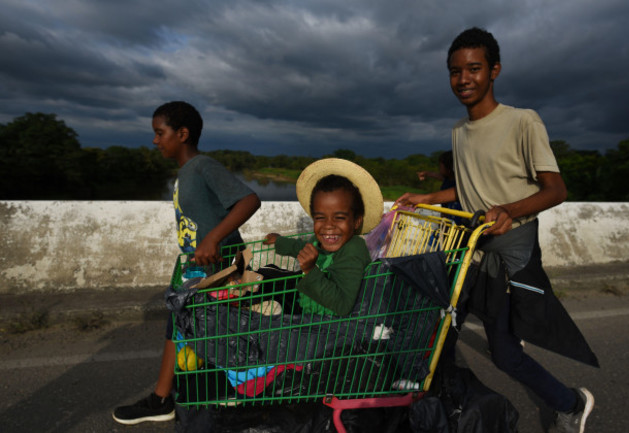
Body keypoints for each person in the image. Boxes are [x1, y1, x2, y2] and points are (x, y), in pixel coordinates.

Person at [396, 28, 595, 433]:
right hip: (469, 252)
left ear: (494, 71)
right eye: (455, 71)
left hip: (508, 258)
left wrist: (508, 210)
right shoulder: (458, 132)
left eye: (474, 68)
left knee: (505, 355)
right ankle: (441, 411)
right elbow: (470, 188)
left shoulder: (523, 121)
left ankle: (571, 401)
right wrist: (427, 197)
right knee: (440, 335)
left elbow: (556, 189)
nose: (463, 79)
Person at [112, 101, 261, 425]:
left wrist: (213, 239)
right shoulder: (184, 173)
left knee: (219, 335)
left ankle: (230, 400)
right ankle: (162, 398)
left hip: (219, 268)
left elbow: (249, 199)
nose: (155, 140)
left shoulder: (203, 165)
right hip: (195, 267)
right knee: (176, 327)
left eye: (159, 133)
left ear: (182, 133)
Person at [264, 158, 384, 316]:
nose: (328, 226)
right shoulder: (320, 241)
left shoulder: (354, 250)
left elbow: (342, 305)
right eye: (320, 218)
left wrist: (310, 269)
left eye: (339, 218)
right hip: (310, 309)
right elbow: (301, 248)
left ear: (356, 222)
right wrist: (279, 241)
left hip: (329, 326)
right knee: (266, 278)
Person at [417, 150, 463, 216]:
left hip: (454, 216)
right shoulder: (447, 179)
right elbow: (435, 175)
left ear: (448, 167)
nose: (439, 168)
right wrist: (425, 173)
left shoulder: (456, 183)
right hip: (445, 214)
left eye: (440, 166)